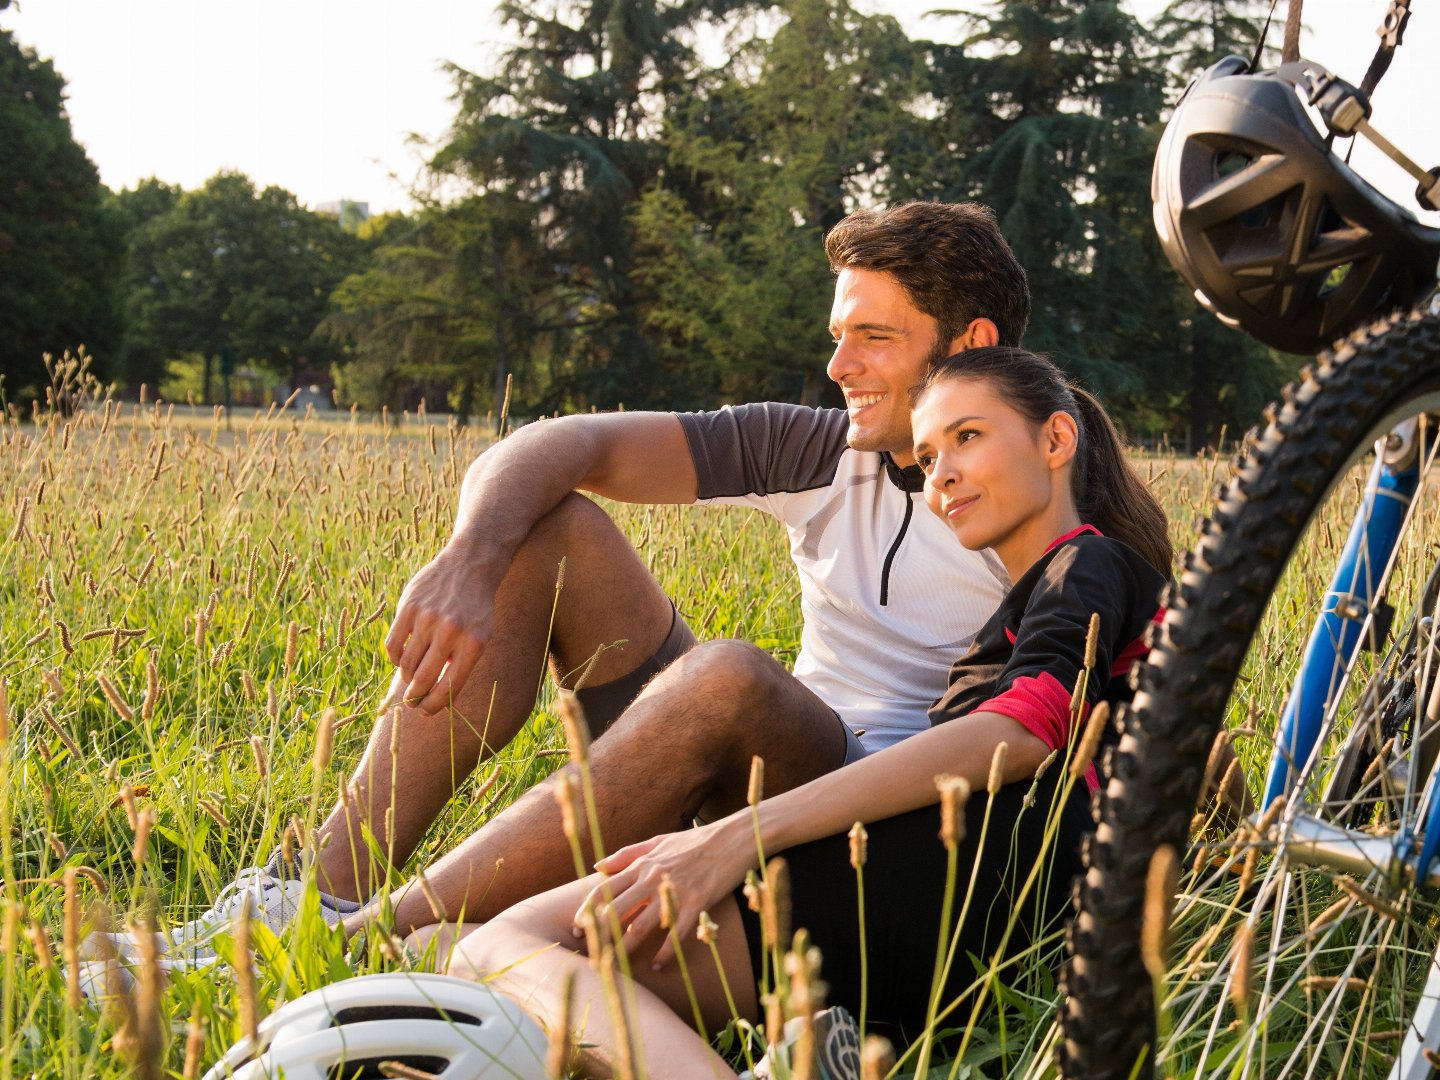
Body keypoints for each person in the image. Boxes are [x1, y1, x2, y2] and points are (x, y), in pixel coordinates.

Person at [99, 202, 1034, 962]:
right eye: (837, 336)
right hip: (763, 763)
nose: (839, 368)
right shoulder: (820, 446)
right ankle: (305, 896)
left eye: (874, 337)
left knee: (729, 678)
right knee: (545, 528)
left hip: (881, 826)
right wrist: (468, 561)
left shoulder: (1051, 489)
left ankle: (361, 943)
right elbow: (565, 442)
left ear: (970, 343)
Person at [439, 346, 1174, 1076]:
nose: (940, 473)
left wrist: (737, 837)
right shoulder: (1057, 594)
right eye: (925, 454)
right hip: (958, 898)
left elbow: (1020, 732)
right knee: (478, 956)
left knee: (499, 950)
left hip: (964, 889)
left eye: (968, 437)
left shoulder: (1087, 562)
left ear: (1055, 439)